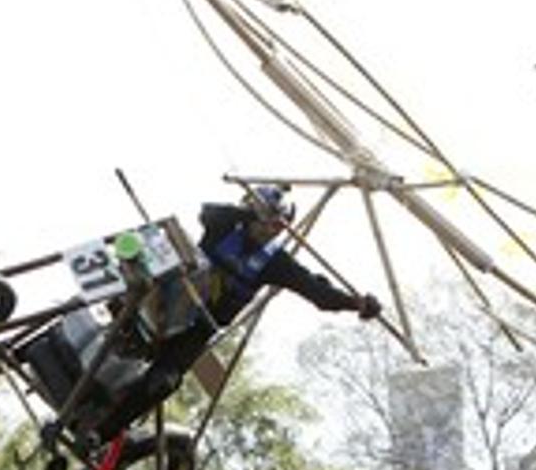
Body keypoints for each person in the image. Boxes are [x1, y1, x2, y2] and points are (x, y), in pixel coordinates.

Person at [101, 184, 381, 437]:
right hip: (169, 298)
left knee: (163, 382)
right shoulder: (222, 228)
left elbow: (318, 293)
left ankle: (103, 432)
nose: (267, 231)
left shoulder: (276, 263)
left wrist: (355, 303)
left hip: (198, 329)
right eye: (263, 222)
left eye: (275, 228)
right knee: (127, 276)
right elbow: (207, 213)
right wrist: (249, 213)